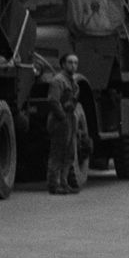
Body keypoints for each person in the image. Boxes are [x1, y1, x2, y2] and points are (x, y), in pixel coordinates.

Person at [45, 51, 83, 193]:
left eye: (75, 63)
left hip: (69, 117)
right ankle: (54, 185)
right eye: (70, 62)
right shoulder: (58, 81)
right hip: (59, 119)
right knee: (58, 153)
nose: (73, 66)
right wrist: (62, 118)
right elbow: (53, 101)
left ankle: (64, 183)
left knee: (69, 153)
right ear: (63, 64)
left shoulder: (72, 81)